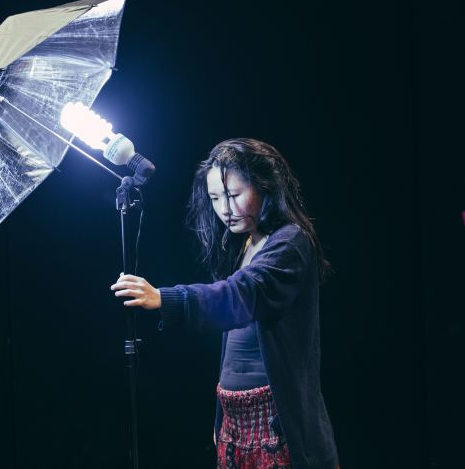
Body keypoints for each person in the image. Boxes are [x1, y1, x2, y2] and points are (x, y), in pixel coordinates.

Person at [110, 138, 339, 469]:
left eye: (234, 195)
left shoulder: (290, 243)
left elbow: (240, 294)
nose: (225, 209)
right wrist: (222, 420)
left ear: (266, 188)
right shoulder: (245, 243)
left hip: (276, 425)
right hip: (235, 425)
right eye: (216, 198)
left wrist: (166, 298)